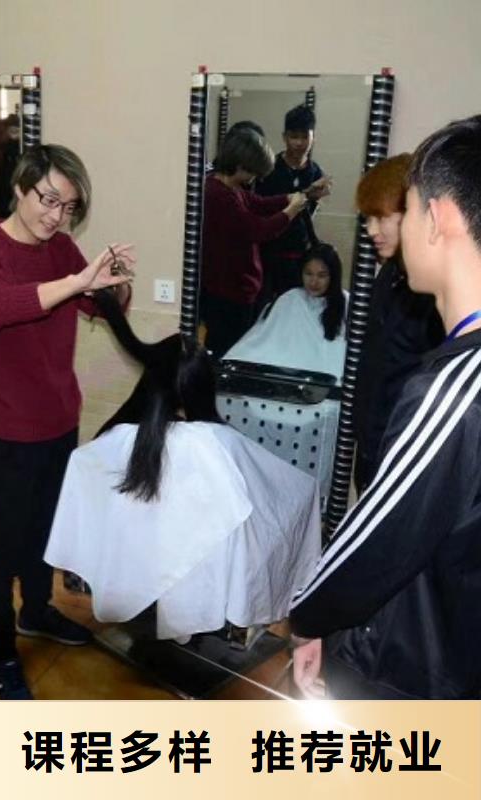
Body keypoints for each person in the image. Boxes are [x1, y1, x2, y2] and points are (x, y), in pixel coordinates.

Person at [290, 115, 481, 700]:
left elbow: (377, 543)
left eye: (406, 206)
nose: (378, 228)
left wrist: (308, 617)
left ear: (438, 216)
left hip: (418, 669)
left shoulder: (454, 390)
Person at [45, 289, 320, 641]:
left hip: (139, 569)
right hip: (202, 583)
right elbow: (293, 493)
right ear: (201, 388)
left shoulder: (119, 439)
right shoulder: (212, 444)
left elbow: (84, 485)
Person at [0, 144, 133, 700]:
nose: (57, 216)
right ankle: (1, 650)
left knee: (45, 530)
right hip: (8, 425)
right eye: (49, 200)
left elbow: (98, 306)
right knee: (2, 544)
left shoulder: (61, 250)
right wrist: (78, 282)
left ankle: (36, 610)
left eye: (69, 207)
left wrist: (113, 284)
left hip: (59, 416)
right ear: (20, 187)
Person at [351, 154, 443, 492]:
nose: (371, 230)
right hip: (371, 443)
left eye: (380, 217)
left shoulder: (431, 294)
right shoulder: (389, 274)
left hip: (404, 452)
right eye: (367, 219)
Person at [200, 128, 308, 359]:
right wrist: (290, 211)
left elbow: (257, 203)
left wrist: (288, 198)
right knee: (226, 351)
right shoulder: (217, 195)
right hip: (226, 293)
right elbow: (258, 230)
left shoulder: (232, 189)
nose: (255, 178)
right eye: (253, 172)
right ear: (240, 165)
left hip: (240, 289)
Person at [225, 242, 348, 379]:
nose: (313, 282)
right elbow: (261, 340)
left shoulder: (347, 302)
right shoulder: (290, 299)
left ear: (334, 276)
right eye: (308, 274)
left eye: (321, 275)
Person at [255, 105, 332, 302]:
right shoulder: (269, 168)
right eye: (293, 136)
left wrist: (316, 200)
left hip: (300, 254)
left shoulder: (315, 172)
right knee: (266, 307)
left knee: (296, 305)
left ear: (313, 137)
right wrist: (306, 194)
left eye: (305, 137)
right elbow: (262, 209)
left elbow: (308, 216)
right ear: (284, 137)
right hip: (269, 253)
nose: (299, 143)